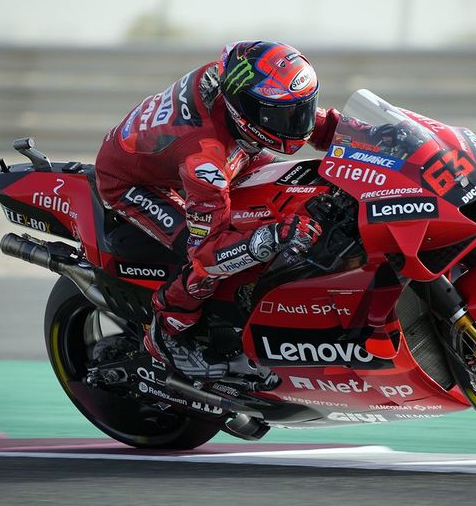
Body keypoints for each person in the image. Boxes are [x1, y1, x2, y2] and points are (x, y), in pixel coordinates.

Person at [94, 40, 344, 381]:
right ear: (246, 112)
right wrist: (271, 237)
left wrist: (377, 138)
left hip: (211, 149)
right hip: (136, 182)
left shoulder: (240, 86)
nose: (297, 123)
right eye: (283, 115)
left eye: (302, 108)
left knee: (287, 189)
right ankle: (169, 333)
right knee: (206, 260)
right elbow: (207, 253)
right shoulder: (206, 163)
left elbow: (307, 119)